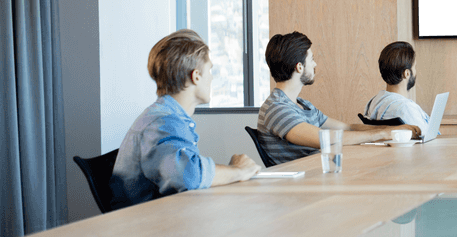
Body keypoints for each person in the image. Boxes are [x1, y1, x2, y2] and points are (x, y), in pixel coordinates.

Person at [110, 30, 261, 209]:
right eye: (209, 70)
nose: (212, 77)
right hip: (151, 228)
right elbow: (188, 175)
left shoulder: (168, 118)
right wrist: (238, 171)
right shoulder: (162, 123)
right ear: (196, 75)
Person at [256, 31, 418, 164]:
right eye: (311, 60)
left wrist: (393, 130)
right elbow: (323, 139)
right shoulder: (277, 108)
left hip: (320, 172)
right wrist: (385, 134)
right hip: (304, 185)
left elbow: (346, 128)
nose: (315, 64)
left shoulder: (303, 105)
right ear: (299, 67)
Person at [363, 41, 437, 140]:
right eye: (414, 67)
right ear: (406, 73)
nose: (415, 71)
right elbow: (429, 138)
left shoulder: (372, 103)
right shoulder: (405, 108)